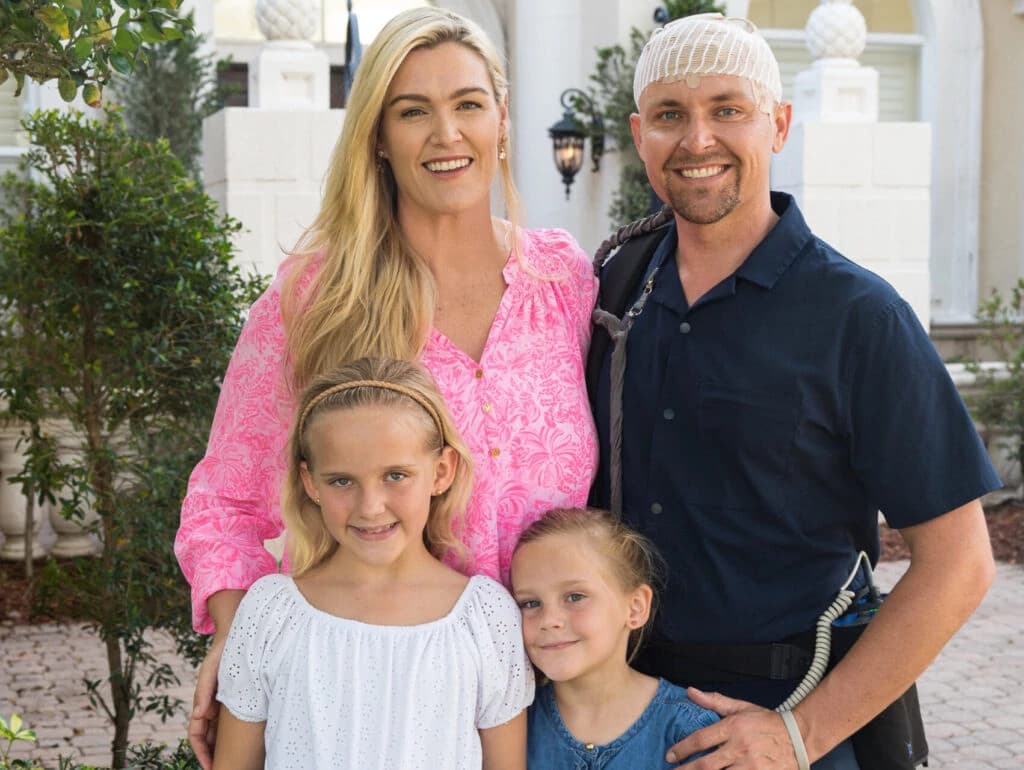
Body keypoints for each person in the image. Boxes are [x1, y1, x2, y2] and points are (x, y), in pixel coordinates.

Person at [175, 7, 597, 768]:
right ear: (377, 135)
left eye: (468, 104)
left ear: (502, 120)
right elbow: (223, 504)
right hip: (383, 711)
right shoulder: (318, 297)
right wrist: (243, 647)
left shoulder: (562, 280)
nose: (447, 134)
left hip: (570, 699)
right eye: (413, 111)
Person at [587, 13, 1000, 770]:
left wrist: (801, 733)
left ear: (777, 124)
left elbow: (960, 563)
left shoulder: (858, 317)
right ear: (640, 133)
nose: (698, 139)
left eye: (728, 110)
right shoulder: (612, 287)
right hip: (618, 714)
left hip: (784, 723)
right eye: (672, 115)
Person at [211, 357, 533, 770]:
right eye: (342, 481)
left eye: (396, 475)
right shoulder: (271, 611)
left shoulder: (485, 616)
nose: (371, 506)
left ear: (441, 471)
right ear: (311, 483)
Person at [510, 507, 718, 768]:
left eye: (575, 597)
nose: (549, 620)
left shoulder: (686, 729)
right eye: (530, 603)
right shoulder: (513, 724)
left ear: (635, 607)